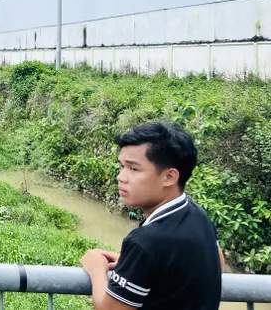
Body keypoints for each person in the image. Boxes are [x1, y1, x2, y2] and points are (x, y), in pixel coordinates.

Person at [80, 121, 224, 309]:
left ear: (169, 177)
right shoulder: (199, 216)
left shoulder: (146, 242)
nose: (121, 177)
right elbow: (218, 262)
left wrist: (97, 270)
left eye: (134, 169)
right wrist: (137, 265)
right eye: (122, 166)